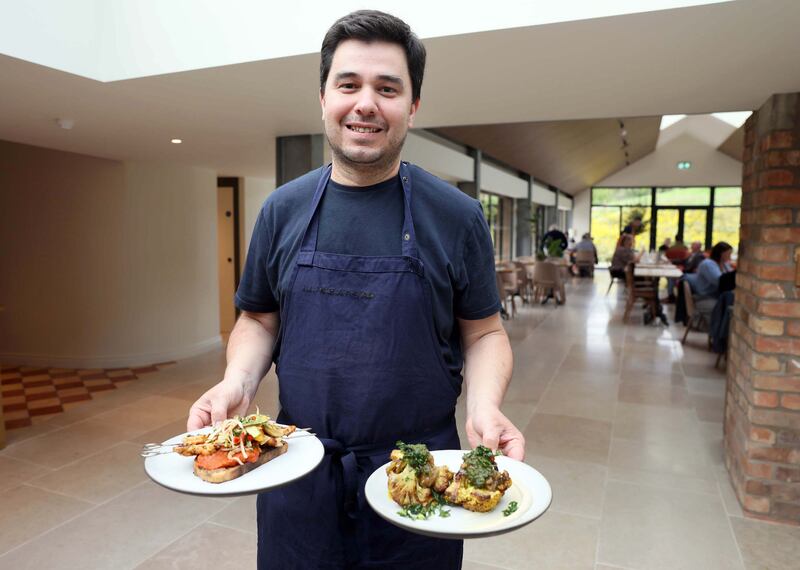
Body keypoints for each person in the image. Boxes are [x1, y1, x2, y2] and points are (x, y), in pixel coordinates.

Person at [186, 11, 524, 570]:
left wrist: (485, 408)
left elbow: (485, 331)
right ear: (324, 97)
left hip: (418, 476)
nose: (366, 103)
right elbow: (259, 319)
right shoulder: (281, 210)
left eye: (387, 88)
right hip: (298, 469)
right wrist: (235, 382)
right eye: (349, 85)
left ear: (412, 106)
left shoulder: (458, 217)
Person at [685, 241, 734, 324]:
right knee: (730, 309)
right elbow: (720, 282)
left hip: (716, 296)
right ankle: (720, 332)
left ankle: (723, 331)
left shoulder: (725, 264)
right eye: (728, 254)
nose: (729, 256)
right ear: (721, 253)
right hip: (705, 297)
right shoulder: (708, 264)